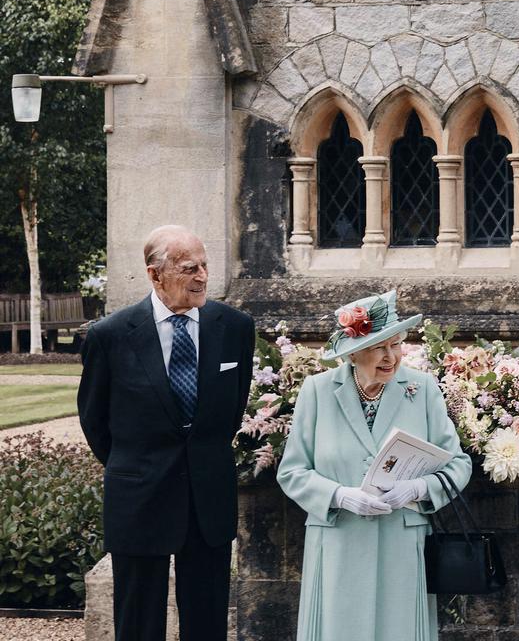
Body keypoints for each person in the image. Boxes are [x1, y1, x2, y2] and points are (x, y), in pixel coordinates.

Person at [77, 225, 256, 641]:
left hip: (208, 496)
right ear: (155, 274)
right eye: (190, 268)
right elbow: (95, 422)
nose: (202, 277)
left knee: (207, 621)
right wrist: (139, 466)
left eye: (205, 266)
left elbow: (232, 410)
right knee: (138, 622)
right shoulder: (110, 336)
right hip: (139, 495)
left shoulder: (235, 327)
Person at [276, 289, 472, 641]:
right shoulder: (317, 391)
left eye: (396, 344)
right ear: (353, 354)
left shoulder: (422, 388)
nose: (390, 356)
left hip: (402, 541)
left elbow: (458, 464)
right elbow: (292, 471)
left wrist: (418, 488)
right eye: (379, 347)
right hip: (338, 540)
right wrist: (339, 496)